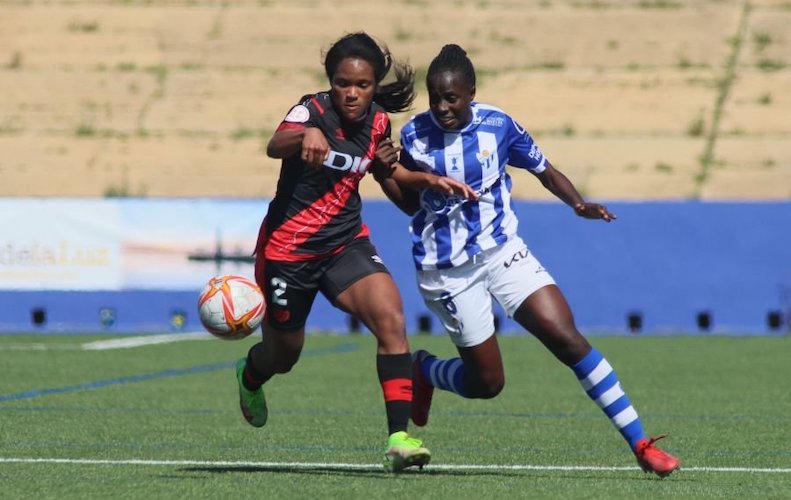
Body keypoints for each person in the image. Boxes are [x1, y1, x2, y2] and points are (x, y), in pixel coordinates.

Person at [378, 44, 681, 477]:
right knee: (487, 384)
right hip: (449, 271)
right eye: (435, 98)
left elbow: (544, 169)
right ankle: (426, 371)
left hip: (504, 252)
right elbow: (410, 205)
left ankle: (641, 444)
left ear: (471, 93)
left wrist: (577, 204)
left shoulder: (498, 125)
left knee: (568, 339)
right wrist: (385, 173)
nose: (443, 107)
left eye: (452, 98)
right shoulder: (413, 136)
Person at [235, 33, 475, 473]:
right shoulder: (311, 110)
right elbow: (275, 144)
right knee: (284, 356)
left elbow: (392, 184)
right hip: (288, 252)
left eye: (363, 85)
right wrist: (303, 135)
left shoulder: (380, 124)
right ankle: (250, 375)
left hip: (346, 242)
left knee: (391, 319)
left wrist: (417, 178)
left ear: (373, 85)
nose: (352, 92)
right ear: (332, 82)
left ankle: (399, 439)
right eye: (344, 83)